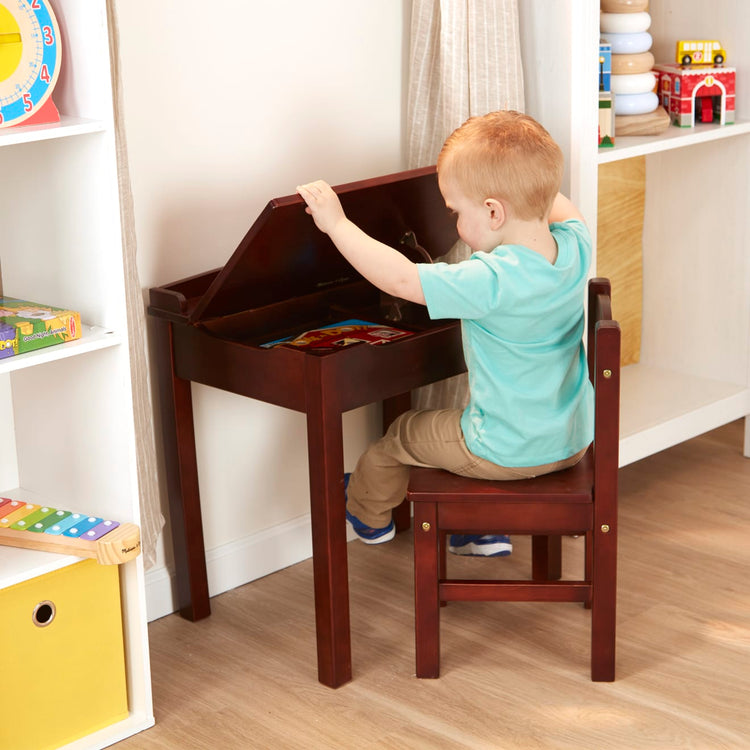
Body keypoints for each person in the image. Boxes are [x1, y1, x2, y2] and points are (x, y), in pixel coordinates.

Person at [296, 110, 593, 557]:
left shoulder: (490, 278)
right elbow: (555, 202)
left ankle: (367, 513)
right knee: (455, 425)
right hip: (570, 440)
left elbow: (400, 279)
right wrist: (525, 176)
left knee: (403, 434)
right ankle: (477, 528)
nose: (455, 224)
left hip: (505, 451)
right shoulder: (575, 246)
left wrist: (336, 224)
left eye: (456, 211)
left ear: (494, 211)